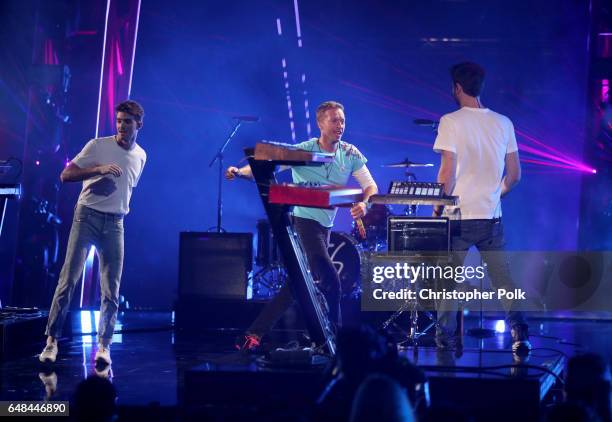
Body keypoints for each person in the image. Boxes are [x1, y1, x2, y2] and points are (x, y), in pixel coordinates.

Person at [226, 101, 378, 350]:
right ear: (320, 124)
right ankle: (333, 341)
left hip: (324, 227)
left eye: (342, 120)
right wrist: (240, 172)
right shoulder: (304, 150)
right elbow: (265, 165)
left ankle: (254, 334)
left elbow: (370, 186)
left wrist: (366, 203)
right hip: (303, 221)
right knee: (331, 280)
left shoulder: (350, 153)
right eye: (334, 120)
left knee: (298, 282)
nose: (340, 125)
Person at [432, 62, 530, 355]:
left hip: (458, 217)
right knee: (504, 279)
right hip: (491, 218)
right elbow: (515, 175)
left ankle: (445, 341)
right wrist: (495, 194)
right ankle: (520, 334)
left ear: (457, 88)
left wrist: (438, 208)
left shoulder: (450, 121)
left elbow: (446, 173)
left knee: (447, 283)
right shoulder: (503, 122)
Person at [39, 100, 147, 365]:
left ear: (139, 125)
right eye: (119, 120)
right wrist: (98, 170)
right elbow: (66, 175)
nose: (121, 126)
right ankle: (51, 341)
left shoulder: (141, 155)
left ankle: (104, 346)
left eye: (127, 122)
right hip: (86, 217)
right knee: (68, 280)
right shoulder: (97, 145)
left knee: (111, 288)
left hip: (116, 223)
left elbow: (128, 189)